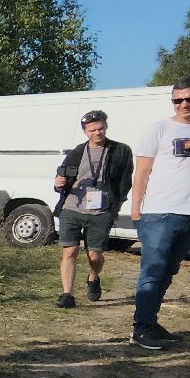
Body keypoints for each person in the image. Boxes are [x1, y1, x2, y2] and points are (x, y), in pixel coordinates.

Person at [126, 76, 190, 351]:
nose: (184, 105)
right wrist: (136, 209)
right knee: (152, 271)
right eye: (177, 100)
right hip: (158, 212)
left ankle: (151, 322)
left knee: (169, 271)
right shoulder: (157, 129)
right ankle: (141, 328)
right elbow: (142, 172)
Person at [51, 109, 134, 308]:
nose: (97, 132)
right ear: (85, 131)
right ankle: (67, 294)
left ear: (106, 126)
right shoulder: (77, 152)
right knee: (70, 251)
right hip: (72, 207)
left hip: (101, 211)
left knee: (95, 256)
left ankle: (93, 277)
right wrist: (58, 184)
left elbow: (125, 181)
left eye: (100, 128)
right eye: (92, 130)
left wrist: (115, 206)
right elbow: (62, 178)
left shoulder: (121, 150)